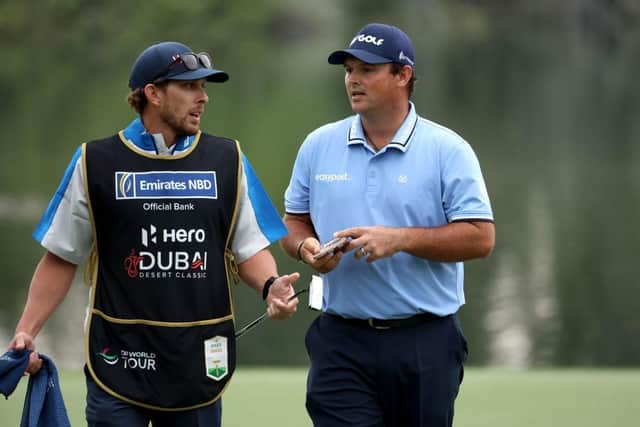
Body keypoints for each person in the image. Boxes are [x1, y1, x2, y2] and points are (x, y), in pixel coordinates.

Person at [8, 41, 300, 427]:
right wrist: (26, 332)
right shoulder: (95, 162)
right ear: (153, 94)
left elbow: (248, 248)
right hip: (118, 361)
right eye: (190, 87)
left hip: (198, 365)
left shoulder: (228, 160)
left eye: (204, 88)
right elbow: (62, 256)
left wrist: (271, 285)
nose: (203, 98)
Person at [281, 23, 495, 427]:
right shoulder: (318, 145)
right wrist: (306, 247)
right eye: (349, 70)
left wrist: (399, 240)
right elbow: (294, 222)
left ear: (403, 75)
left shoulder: (448, 150)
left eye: (367, 69)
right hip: (340, 339)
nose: (353, 80)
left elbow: (480, 238)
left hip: (425, 341)